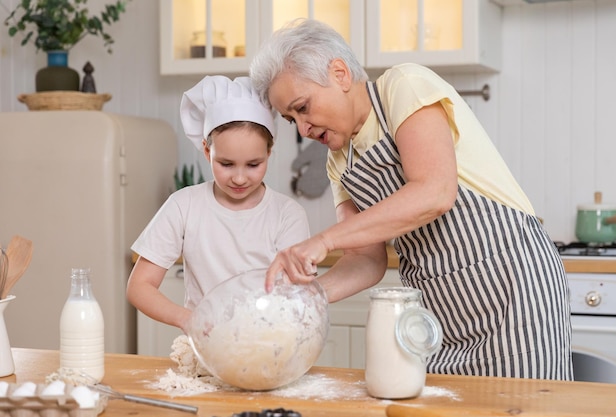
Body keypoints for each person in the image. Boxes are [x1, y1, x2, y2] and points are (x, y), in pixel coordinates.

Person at [250, 19, 573, 380]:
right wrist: (304, 299)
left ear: (340, 74)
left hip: (513, 292)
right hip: (437, 314)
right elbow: (365, 258)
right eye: (291, 119)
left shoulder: (402, 86)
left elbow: (434, 192)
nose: (304, 128)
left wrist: (323, 240)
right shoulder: (338, 161)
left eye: (303, 107)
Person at [127, 75, 310, 333]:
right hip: (206, 349)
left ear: (269, 152)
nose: (238, 177)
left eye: (253, 164)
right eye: (226, 164)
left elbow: (298, 297)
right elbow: (139, 286)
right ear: (206, 150)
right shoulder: (184, 205)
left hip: (271, 347)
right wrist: (188, 319)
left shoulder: (287, 214)